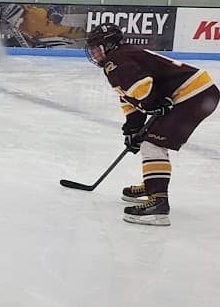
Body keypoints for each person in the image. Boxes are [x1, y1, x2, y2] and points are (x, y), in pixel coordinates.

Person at [85, 23, 218, 226]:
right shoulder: (119, 58)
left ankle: (158, 203)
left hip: (194, 95)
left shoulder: (117, 60)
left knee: (153, 144)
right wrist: (133, 128)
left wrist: (153, 103)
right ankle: (152, 184)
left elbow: (142, 86)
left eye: (97, 47)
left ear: (109, 45)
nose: (93, 53)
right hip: (194, 93)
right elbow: (130, 95)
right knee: (151, 140)